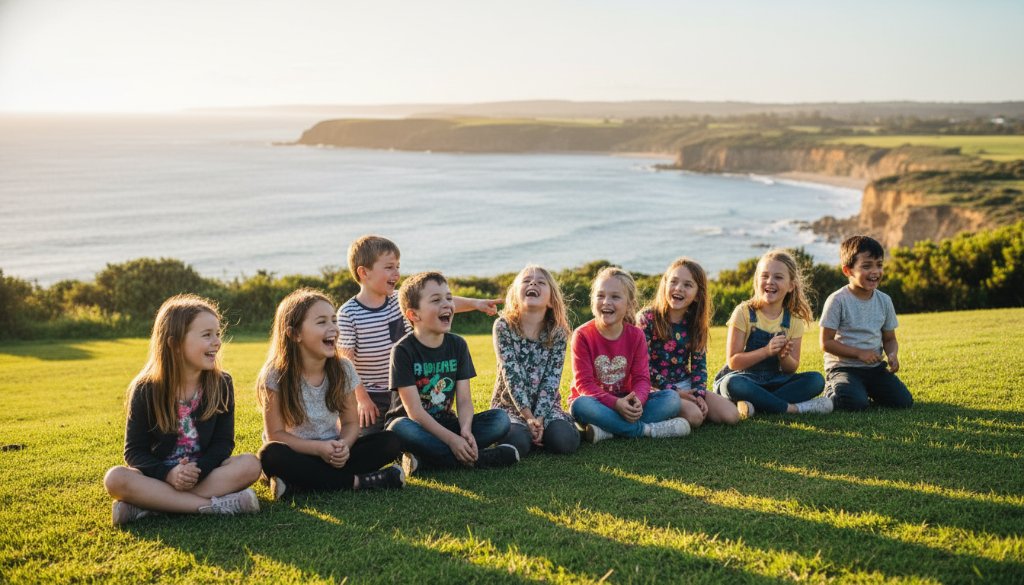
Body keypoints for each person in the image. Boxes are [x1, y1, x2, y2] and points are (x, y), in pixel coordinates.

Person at [103, 295, 262, 526]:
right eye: (207, 335)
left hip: (205, 474)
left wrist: (198, 470)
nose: (217, 342)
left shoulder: (222, 383)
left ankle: (151, 506)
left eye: (217, 334)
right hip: (161, 477)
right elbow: (134, 452)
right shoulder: (146, 389)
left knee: (250, 465)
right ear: (174, 344)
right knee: (115, 479)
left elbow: (223, 443)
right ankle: (212, 507)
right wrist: (169, 474)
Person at [337, 235, 499, 435]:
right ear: (364, 272)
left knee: (419, 427)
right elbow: (346, 362)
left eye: (398, 266)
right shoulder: (348, 313)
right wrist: (361, 399)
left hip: (413, 390)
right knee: (372, 439)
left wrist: (476, 304)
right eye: (389, 267)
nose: (396, 273)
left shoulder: (398, 300)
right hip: (372, 395)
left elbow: (440, 303)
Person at [258, 289, 405, 499]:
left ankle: (300, 485)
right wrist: (318, 449)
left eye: (334, 321)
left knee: (391, 441)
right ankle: (359, 482)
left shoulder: (343, 368)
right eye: (321, 322)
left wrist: (343, 445)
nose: (333, 329)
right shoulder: (275, 374)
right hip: (296, 452)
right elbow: (276, 434)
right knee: (270, 454)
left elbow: (351, 424)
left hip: (334, 450)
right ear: (294, 334)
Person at [385, 272, 519, 470]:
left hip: (448, 423)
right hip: (415, 426)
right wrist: (452, 441)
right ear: (413, 314)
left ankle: (426, 461)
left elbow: (464, 400)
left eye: (449, 298)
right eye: (436, 300)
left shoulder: (458, 345)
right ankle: (480, 459)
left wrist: (465, 430)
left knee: (500, 420)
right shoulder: (403, 351)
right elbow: (416, 413)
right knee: (398, 428)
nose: (447, 304)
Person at [569, 266, 689, 443]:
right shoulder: (582, 335)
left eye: (615, 297)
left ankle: (608, 430)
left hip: (627, 399)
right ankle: (646, 430)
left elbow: (642, 378)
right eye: (600, 295)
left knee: (671, 399)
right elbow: (584, 384)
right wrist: (616, 404)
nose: (606, 302)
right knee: (580, 405)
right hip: (596, 403)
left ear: (630, 304)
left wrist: (637, 402)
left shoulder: (636, 335)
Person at [713, 250, 831, 416]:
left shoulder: (794, 320)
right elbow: (734, 362)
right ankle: (793, 408)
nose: (770, 281)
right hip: (744, 378)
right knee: (731, 384)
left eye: (778, 277)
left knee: (816, 380)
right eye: (765, 276)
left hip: (775, 381)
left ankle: (754, 404)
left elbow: (791, 369)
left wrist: (784, 356)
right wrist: (766, 351)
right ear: (757, 280)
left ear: (791, 285)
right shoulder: (744, 312)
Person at [639, 257, 741, 428]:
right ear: (665, 284)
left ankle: (684, 409)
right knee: (695, 417)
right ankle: (665, 420)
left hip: (685, 384)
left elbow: (699, 366)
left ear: (697, 295)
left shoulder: (695, 323)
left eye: (687, 285)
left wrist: (699, 394)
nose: (679, 288)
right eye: (674, 282)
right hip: (656, 387)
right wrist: (677, 393)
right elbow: (643, 367)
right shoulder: (647, 319)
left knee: (731, 415)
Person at [490, 265, 579, 456]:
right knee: (517, 441)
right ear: (515, 295)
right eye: (526, 281)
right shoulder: (503, 326)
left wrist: (538, 417)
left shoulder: (558, 332)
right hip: (510, 407)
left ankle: (548, 431)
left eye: (540, 282)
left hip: (546, 409)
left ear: (550, 300)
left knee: (563, 441)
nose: (532, 283)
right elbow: (511, 375)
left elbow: (551, 379)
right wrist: (528, 417)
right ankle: (527, 434)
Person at [820, 235, 914, 411]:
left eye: (879, 265)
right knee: (855, 404)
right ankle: (834, 390)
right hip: (843, 368)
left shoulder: (884, 301)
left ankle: (861, 390)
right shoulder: (837, 300)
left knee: (903, 402)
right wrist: (859, 353)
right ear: (847, 271)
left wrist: (892, 354)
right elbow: (826, 343)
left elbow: (889, 339)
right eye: (866, 266)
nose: (875, 271)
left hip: (874, 369)